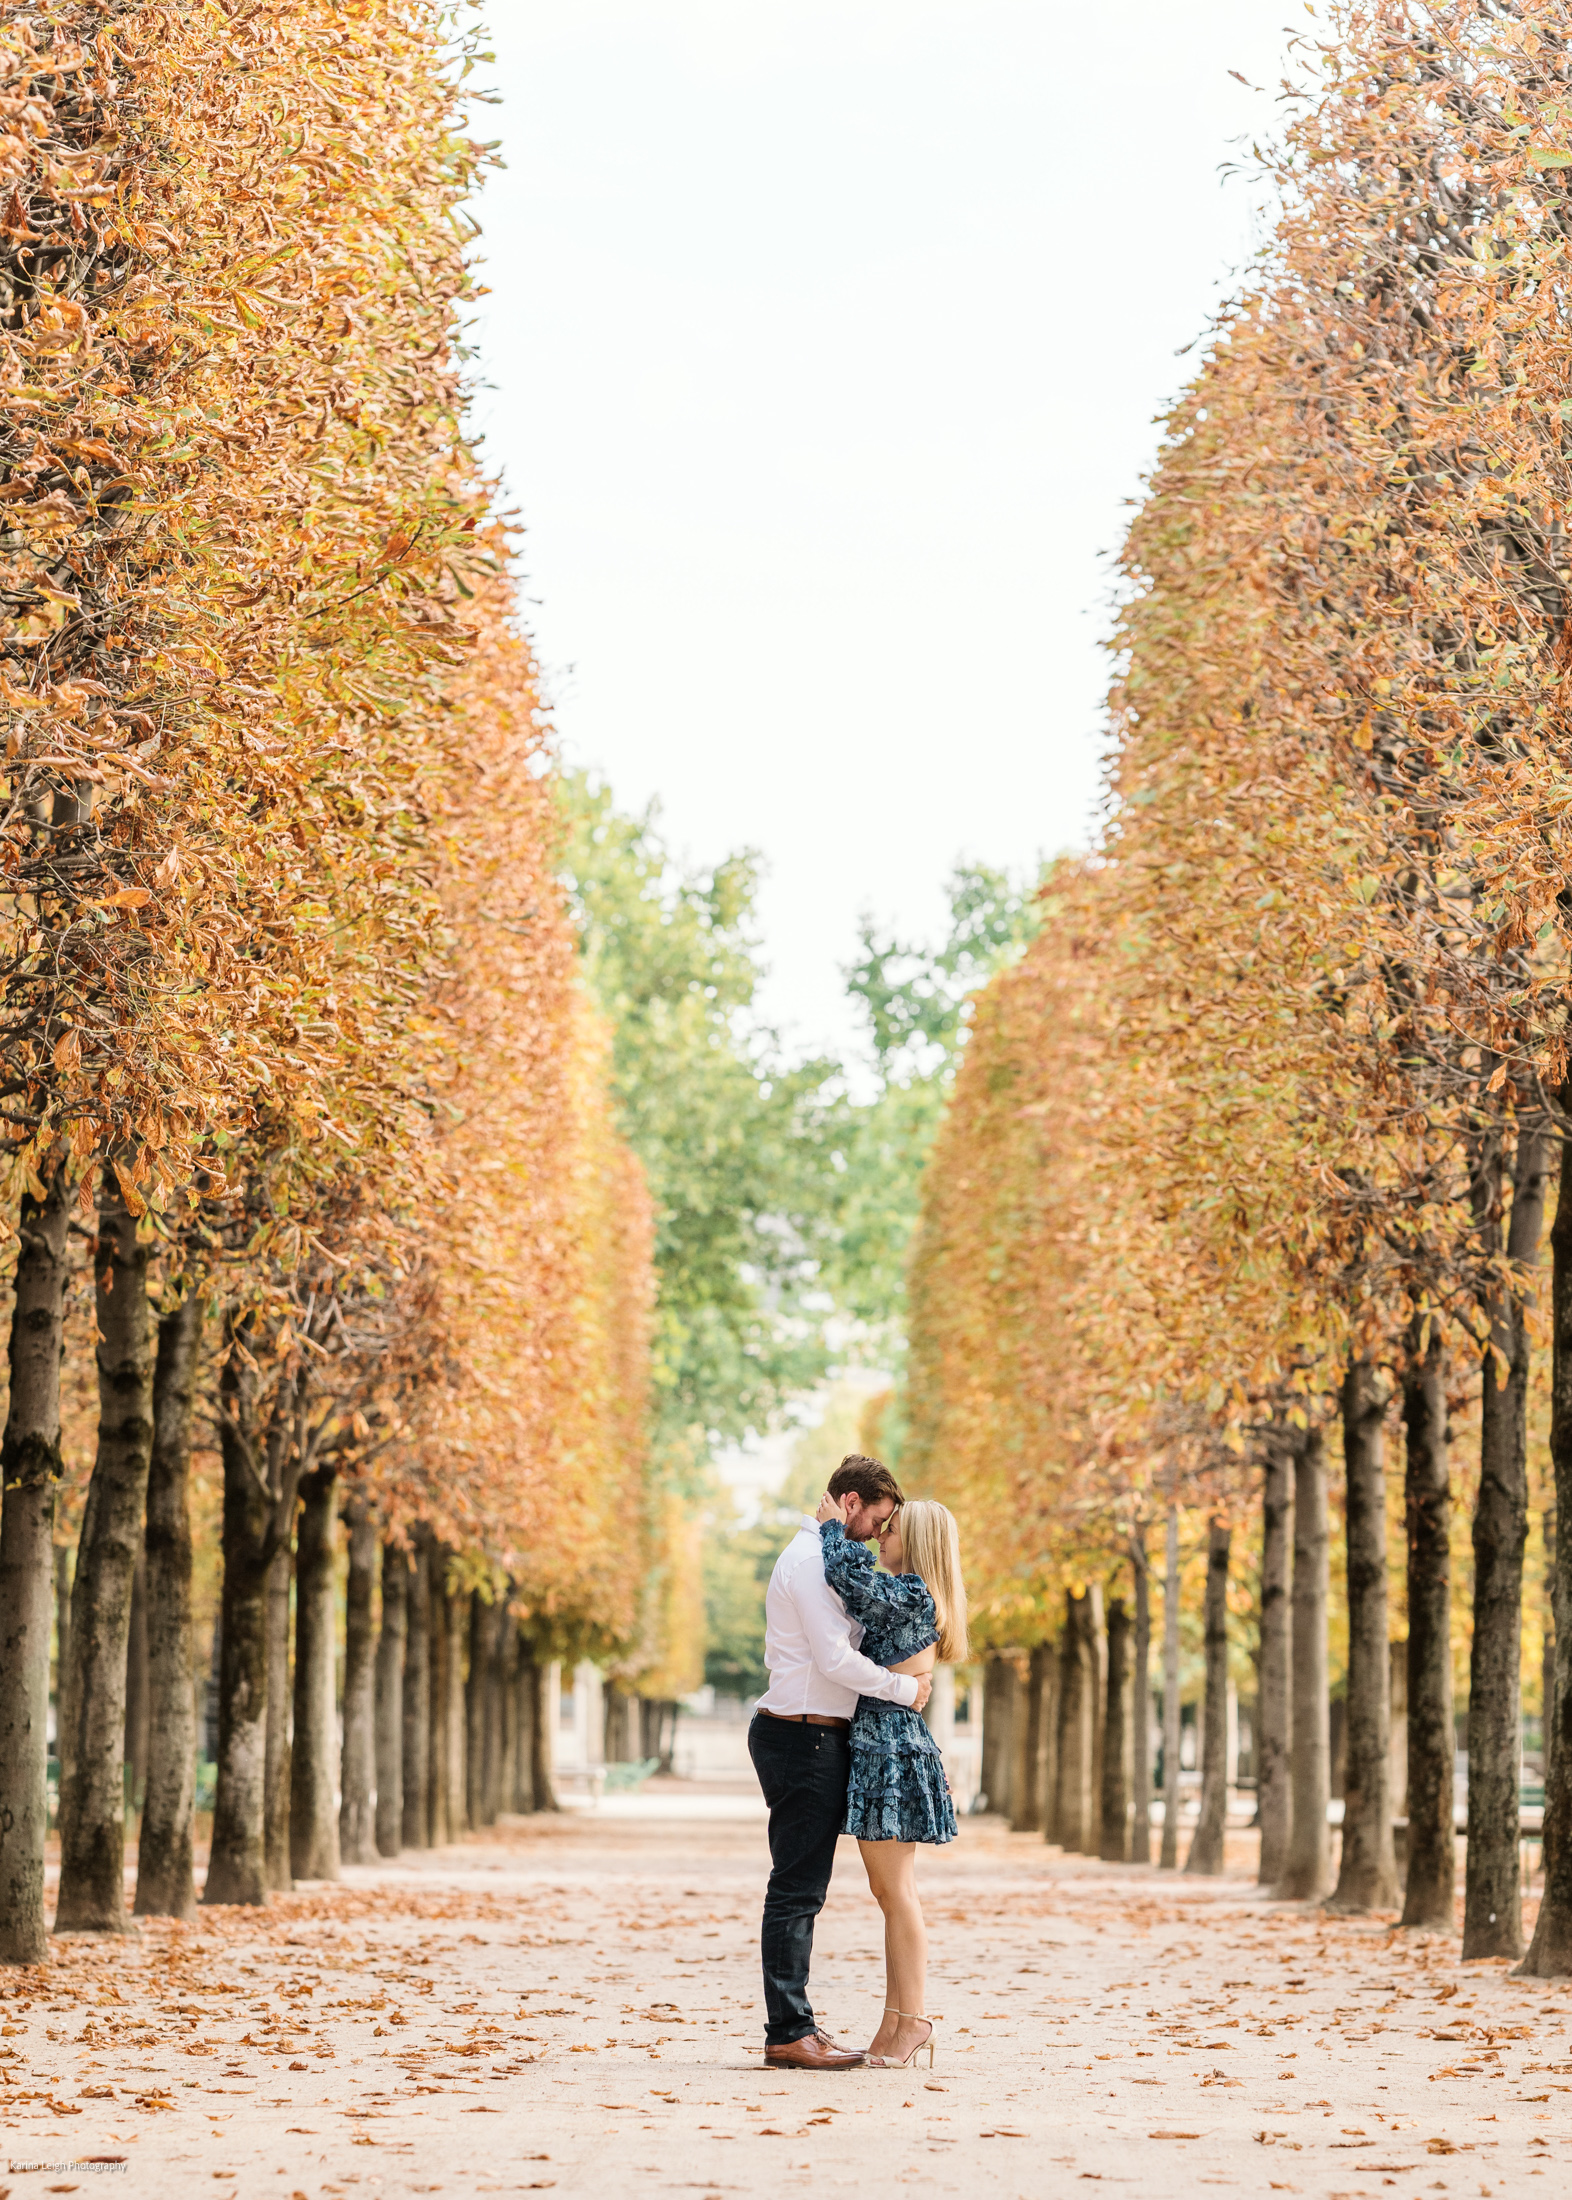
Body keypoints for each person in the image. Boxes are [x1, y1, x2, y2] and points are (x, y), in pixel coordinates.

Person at [748, 1454, 933, 2071]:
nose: (878, 1536)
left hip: (818, 1736)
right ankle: (789, 2032)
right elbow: (833, 1659)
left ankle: (799, 2026)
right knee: (797, 1889)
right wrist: (907, 1690)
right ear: (850, 1503)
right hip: (803, 1737)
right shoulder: (808, 1563)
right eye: (877, 1521)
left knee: (806, 1888)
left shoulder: (828, 1560)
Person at [814, 1488, 968, 2071]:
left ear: (919, 1540)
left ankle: (913, 2021)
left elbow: (851, 1582)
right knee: (891, 1894)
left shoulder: (910, 1594)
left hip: (889, 1747)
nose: (882, 1534)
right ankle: (897, 2023)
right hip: (886, 1742)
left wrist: (833, 1529)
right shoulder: (913, 1595)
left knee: (897, 1895)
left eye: (893, 1527)